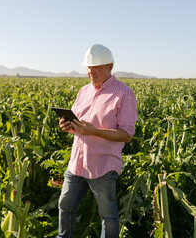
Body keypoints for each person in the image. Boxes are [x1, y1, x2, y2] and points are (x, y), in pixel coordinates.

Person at [57, 44, 138, 238]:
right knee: (65, 206)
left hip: (103, 164)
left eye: (96, 67)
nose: (90, 71)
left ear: (110, 66)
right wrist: (67, 127)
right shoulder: (83, 91)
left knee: (108, 216)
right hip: (77, 162)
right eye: (88, 67)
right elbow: (78, 125)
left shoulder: (124, 94)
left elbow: (127, 134)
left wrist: (95, 131)